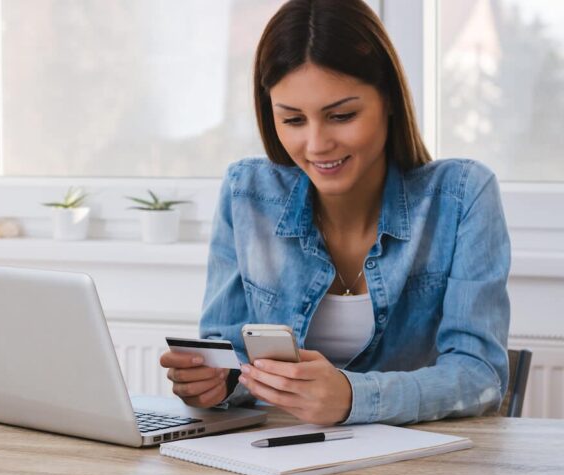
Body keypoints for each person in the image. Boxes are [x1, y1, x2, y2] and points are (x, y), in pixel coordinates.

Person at [159, 0, 510, 426]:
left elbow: (480, 376)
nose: (317, 143)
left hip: (419, 471)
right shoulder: (246, 192)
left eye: (341, 115)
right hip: (278, 458)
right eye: (292, 120)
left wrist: (351, 397)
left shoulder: (461, 196)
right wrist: (215, 384)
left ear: (390, 100)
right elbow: (229, 356)